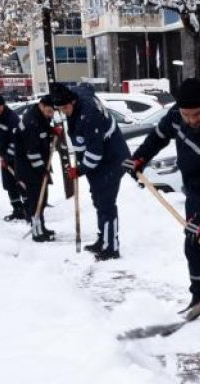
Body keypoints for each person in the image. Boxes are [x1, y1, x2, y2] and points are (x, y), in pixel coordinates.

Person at [128, 78, 200, 341]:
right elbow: (159, 136)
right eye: (186, 114)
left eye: (197, 114)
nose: (191, 120)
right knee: (194, 246)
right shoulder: (176, 117)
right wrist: (140, 158)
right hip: (196, 193)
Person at [50, 85, 130, 262]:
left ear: (73, 101)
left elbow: (94, 154)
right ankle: (103, 239)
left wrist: (79, 170)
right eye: (60, 110)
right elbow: (87, 86)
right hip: (98, 162)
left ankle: (111, 247)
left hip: (112, 159)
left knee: (106, 203)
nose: (64, 113)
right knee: (98, 200)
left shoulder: (89, 116)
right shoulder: (77, 95)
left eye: (65, 108)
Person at [13, 96, 59, 242]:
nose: (51, 115)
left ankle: (41, 227)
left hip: (37, 166)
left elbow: (43, 134)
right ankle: (37, 232)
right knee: (36, 200)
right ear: (41, 105)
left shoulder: (39, 117)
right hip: (29, 168)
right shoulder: (31, 122)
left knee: (42, 198)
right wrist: (42, 170)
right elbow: (32, 152)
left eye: (53, 112)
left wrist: (52, 131)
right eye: (49, 111)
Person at [0, 94, 27, 221]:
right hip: (4, 156)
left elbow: (16, 141)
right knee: (10, 184)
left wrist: (8, 157)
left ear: (3, 105)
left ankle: (29, 209)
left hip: (16, 157)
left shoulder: (12, 118)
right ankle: (17, 209)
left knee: (20, 183)